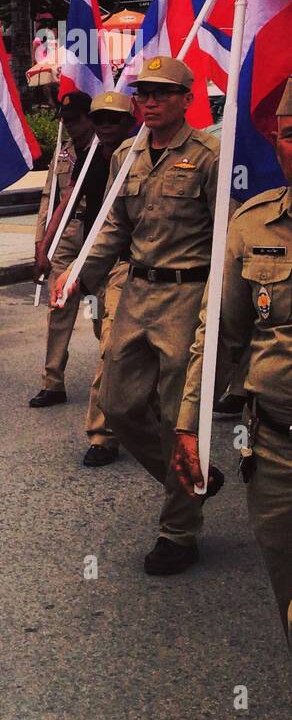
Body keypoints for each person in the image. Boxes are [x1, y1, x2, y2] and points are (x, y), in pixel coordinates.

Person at [51, 56, 223, 575]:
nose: (148, 101)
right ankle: (192, 478)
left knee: (178, 417)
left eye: (162, 93)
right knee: (119, 406)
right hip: (136, 292)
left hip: (186, 295)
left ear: (186, 100)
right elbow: (114, 230)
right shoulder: (126, 154)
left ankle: (178, 529)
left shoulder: (211, 156)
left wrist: (219, 306)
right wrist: (81, 271)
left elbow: (223, 239)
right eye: (143, 93)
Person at [173, 77, 292, 720]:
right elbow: (218, 337)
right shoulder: (252, 224)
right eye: (287, 128)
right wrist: (189, 422)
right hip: (276, 451)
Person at [38, 90, 137, 467]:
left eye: (114, 120)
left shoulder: (140, 158)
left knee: (118, 342)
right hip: (100, 259)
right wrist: (46, 249)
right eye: (100, 120)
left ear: (130, 122)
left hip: (138, 263)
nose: (106, 126)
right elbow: (68, 202)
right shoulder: (91, 158)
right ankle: (100, 425)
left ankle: (119, 424)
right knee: (105, 337)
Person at [30, 90, 96, 409]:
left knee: (101, 310)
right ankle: (52, 380)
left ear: (89, 118)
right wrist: (40, 246)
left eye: (75, 120)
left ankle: (112, 376)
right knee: (59, 307)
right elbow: (49, 199)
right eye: (65, 121)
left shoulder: (108, 150)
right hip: (67, 234)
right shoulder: (63, 153)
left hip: (98, 235)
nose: (69, 126)